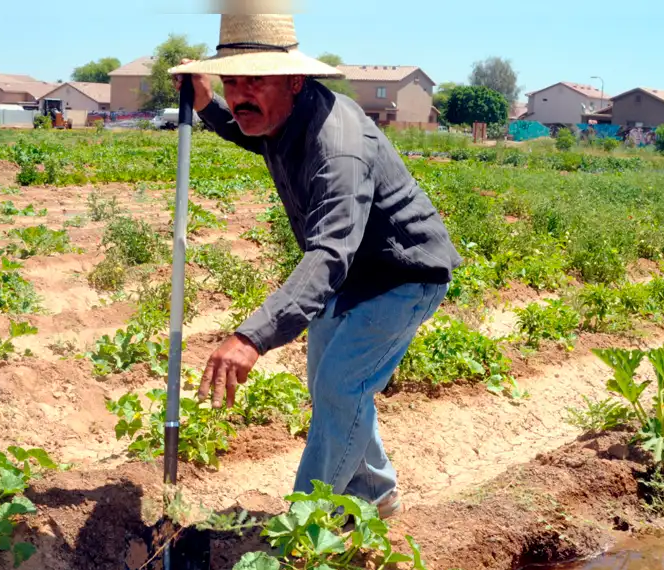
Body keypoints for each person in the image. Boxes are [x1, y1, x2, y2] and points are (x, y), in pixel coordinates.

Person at [170, 11, 461, 518]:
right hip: (353, 274)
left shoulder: (339, 146)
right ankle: (375, 492)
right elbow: (251, 128)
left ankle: (306, 524)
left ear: (295, 80)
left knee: (339, 385)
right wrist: (207, 106)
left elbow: (329, 254)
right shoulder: (284, 112)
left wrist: (251, 336)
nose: (240, 94)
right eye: (231, 80)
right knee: (331, 387)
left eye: (254, 80)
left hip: (402, 274)